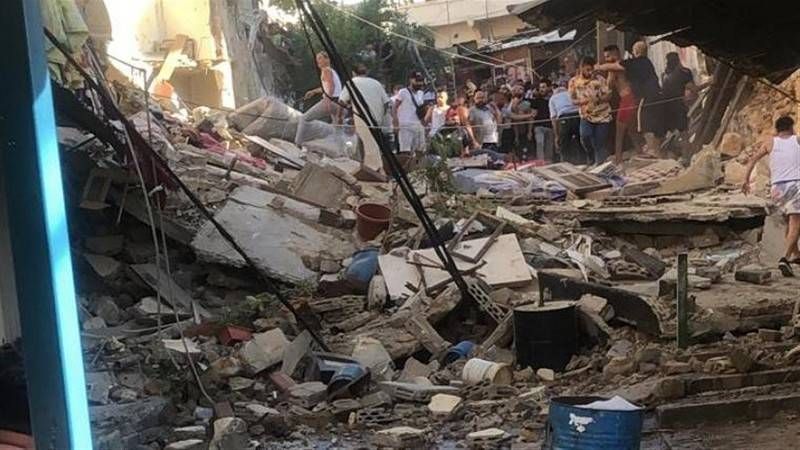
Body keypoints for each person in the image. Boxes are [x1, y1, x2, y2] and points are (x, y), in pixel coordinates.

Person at [742, 116, 800, 277]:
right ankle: (785, 258)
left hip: (777, 189)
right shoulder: (797, 140)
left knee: (789, 222)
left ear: (777, 129)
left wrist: (745, 180)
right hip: (795, 185)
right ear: (791, 127)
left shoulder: (770, 142)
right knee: (796, 223)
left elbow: (752, 160)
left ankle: (797, 255)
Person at [597, 45, 640, 164]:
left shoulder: (617, 67)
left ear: (615, 54)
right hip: (629, 98)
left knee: (619, 131)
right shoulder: (619, 66)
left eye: (608, 56)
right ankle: (639, 151)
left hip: (627, 99)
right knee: (631, 130)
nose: (606, 59)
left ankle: (618, 158)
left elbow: (609, 86)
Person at [569, 56, 612, 165]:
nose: (590, 72)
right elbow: (573, 100)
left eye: (592, 69)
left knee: (599, 141)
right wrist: (583, 101)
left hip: (603, 115)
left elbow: (608, 96)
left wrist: (598, 99)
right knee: (585, 136)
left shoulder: (600, 79)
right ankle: (591, 156)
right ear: (581, 68)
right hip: (586, 115)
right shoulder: (574, 81)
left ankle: (600, 164)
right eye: (587, 69)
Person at [295, 51, 343, 147]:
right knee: (337, 129)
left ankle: (298, 143)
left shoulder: (326, 70)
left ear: (327, 59)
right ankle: (341, 149)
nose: (318, 61)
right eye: (317, 59)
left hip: (330, 102)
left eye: (320, 58)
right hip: (338, 103)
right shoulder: (332, 71)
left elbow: (331, 86)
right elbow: (326, 87)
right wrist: (313, 92)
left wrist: (327, 100)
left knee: (304, 118)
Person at [661, 52, 697, 133]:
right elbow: (694, 89)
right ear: (678, 61)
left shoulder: (664, 76)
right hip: (680, 109)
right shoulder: (683, 73)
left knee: (676, 133)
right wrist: (709, 82)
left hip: (668, 110)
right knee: (684, 132)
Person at [392, 72, 427, 154]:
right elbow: (394, 107)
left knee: (420, 150)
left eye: (421, 81)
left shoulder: (421, 93)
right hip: (405, 125)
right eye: (417, 81)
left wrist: (424, 123)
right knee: (405, 151)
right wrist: (395, 122)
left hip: (418, 125)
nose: (419, 83)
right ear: (411, 80)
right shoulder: (403, 92)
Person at [549, 79, 582, 164]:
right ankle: (584, 162)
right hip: (577, 116)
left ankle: (565, 163)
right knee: (581, 141)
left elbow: (553, 118)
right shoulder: (571, 93)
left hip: (564, 118)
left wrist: (556, 135)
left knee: (564, 144)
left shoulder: (552, 98)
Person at [530, 81, 555, 161]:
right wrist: (530, 130)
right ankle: (541, 162)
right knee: (540, 144)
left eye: (543, 87)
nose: (541, 89)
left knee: (549, 147)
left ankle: (549, 162)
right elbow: (532, 115)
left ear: (548, 88)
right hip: (539, 126)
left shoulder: (552, 100)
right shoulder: (536, 101)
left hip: (550, 126)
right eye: (540, 87)